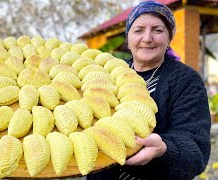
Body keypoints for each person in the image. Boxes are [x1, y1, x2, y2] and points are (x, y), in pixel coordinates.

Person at [87, 1, 211, 179]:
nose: (147, 38)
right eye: (138, 30)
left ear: (169, 38)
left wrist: (164, 149)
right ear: (128, 40)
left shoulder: (186, 80)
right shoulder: (108, 74)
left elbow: (196, 152)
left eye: (157, 30)